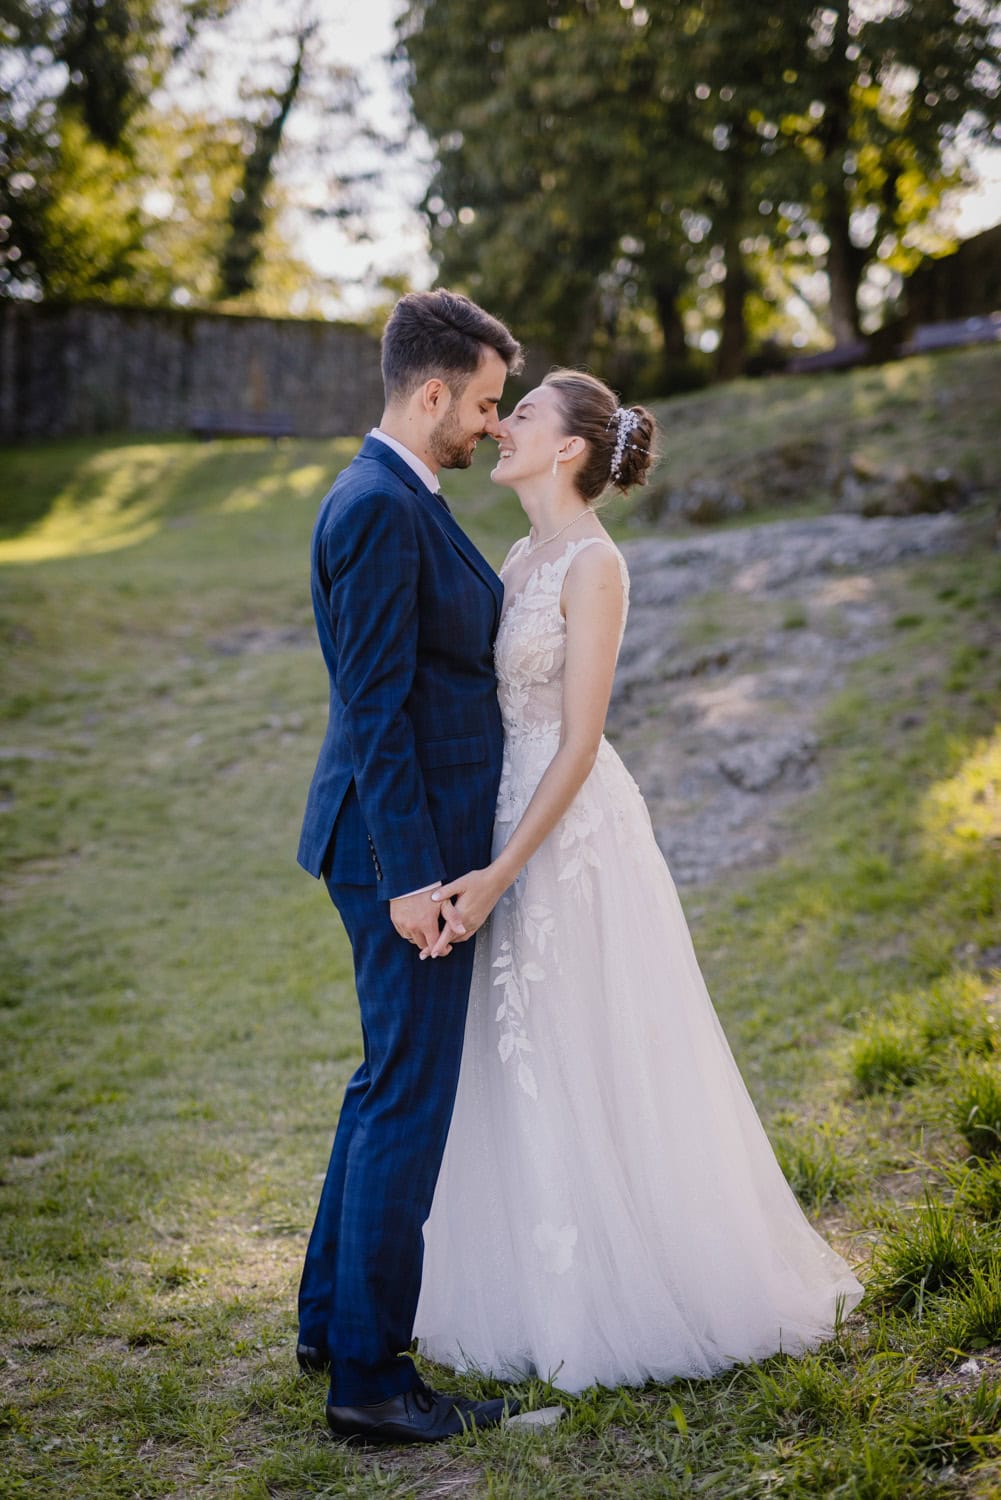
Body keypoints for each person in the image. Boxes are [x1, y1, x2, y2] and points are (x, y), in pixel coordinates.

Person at [414, 369, 864, 1394]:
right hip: (499, 810)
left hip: (565, 829)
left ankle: (635, 1287)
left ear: (568, 447)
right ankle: (534, 1282)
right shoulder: (520, 553)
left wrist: (498, 873)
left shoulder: (591, 563)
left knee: (586, 1036)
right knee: (518, 1041)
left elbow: (577, 745)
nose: (500, 425)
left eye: (518, 414)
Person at [295, 290, 524, 1443]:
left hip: (404, 841)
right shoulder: (381, 506)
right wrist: (412, 880)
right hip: (406, 853)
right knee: (407, 1097)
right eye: (483, 403)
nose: (492, 423)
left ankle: (324, 1323)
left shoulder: (401, 493)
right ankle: (371, 1382)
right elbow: (375, 711)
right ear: (430, 390)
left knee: (383, 1080)